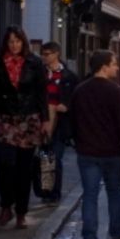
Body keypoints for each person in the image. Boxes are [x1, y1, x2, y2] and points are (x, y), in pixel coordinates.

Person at [67, 51, 120, 239]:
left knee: (90, 196)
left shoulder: (80, 90)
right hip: (112, 152)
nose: (117, 67)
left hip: (87, 152)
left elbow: (73, 121)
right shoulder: (115, 91)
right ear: (104, 67)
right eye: (114, 64)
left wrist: (78, 142)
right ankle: (117, 233)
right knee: (114, 194)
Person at [0, 27, 49, 230]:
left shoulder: (34, 63)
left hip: (29, 119)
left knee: (24, 168)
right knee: (5, 165)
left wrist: (45, 119)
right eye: (11, 41)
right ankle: (6, 207)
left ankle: (21, 211)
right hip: (6, 119)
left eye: (18, 41)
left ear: (23, 42)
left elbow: (42, 93)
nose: (14, 45)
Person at [38, 42, 75, 203]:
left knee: (56, 157)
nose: (45, 57)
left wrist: (66, 105)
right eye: (43, 54)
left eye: (48, 54)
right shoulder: (40, 74)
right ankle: (46, 192)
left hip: (60, 122)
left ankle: (54, 193)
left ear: (57, 54)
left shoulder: (68, 76)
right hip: (42, 121)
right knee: (46, 157)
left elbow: (75, 97)